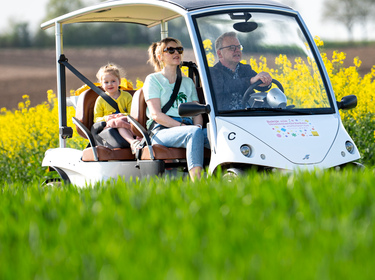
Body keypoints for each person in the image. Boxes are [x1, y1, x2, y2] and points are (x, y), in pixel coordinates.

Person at [143, 37, 209, 181]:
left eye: (179, 49)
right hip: (162, 131)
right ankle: (198, 182)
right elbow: (156, 115)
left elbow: (196, 111)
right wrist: (185, 127)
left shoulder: (188, 82)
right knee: (194, 133)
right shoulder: (153, 80)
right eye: (170, 50)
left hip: (188, 128)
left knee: (219, 135)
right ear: (160, 57)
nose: (176, 53)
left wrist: (197, 126)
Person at [210, 31, 273, 110]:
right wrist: (250, 81)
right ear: (220, 53)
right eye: (232, 48)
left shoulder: (246, 69)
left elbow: (261, 87)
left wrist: (266, 81)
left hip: (248, 116)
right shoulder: (213, 72)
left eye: (239, 47)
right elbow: (226, 86)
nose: (237, 50)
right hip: (225, 118)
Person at [93, 63, 140, 153]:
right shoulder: (100, 99)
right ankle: (133, 142)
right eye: (106, 82)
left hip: (126, 124)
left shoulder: (127, 96)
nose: (110, 84)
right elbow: (96, 119)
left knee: (119, 122)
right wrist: (106, 118)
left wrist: (121, 115)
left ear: (119, 81)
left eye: (113, 81)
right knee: (118, 123)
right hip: (109, 127)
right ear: (101, 84)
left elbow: (132, 114)